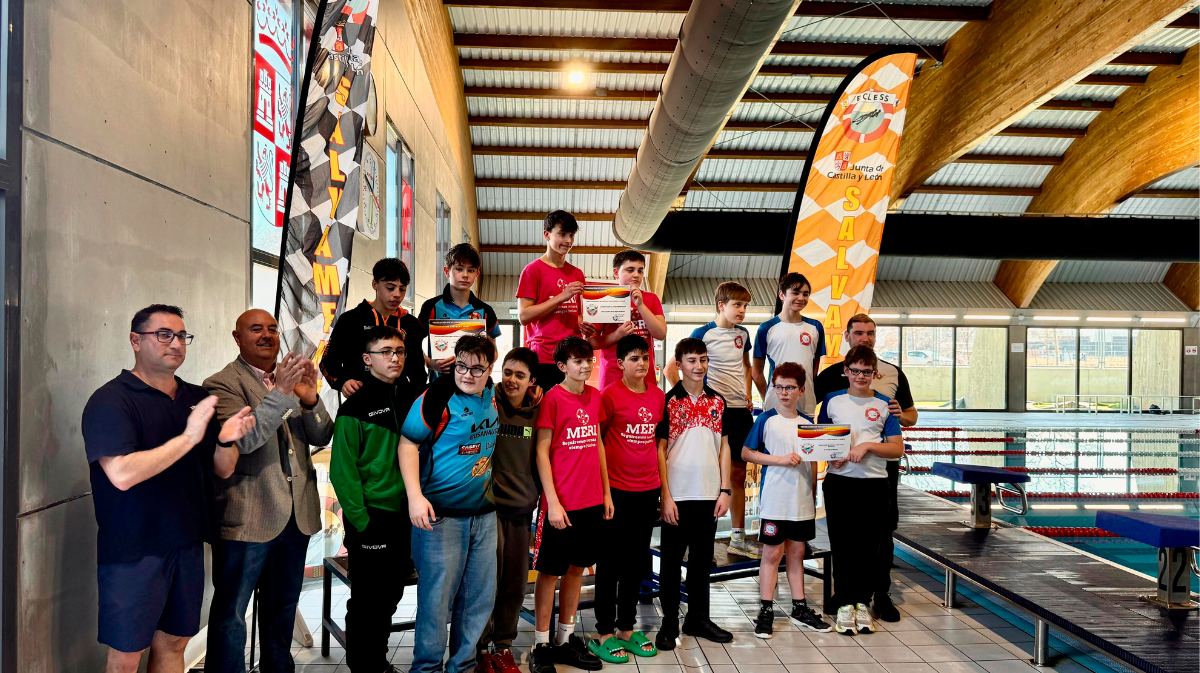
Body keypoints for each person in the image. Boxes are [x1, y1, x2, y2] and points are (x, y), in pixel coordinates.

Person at [83, 304, 255, 673]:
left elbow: (222, 470)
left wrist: (226, 440)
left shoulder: (195, 397)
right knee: (126, 656)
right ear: (135, 340)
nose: (175, 343)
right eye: (163, 334)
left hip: (188, 542)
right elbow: (123, 474)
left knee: (175, 643)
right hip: (134, 548)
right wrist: (190, 437)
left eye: (181, 335)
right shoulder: (111, 400)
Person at [203, 309, 335, 673]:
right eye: (256, 329)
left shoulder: (290, 379)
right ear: (237, 337)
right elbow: (244, 441)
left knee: (282, 608)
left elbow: (322, 436)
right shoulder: (221, 384)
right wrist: (281, 393)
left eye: (273, 329)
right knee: (231, 613)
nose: (267, 335)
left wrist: (309, 400)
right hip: (248, 520)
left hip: (294, 517)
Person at [400, 335, 501, 673]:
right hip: (440, 518)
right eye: (461, 365)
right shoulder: (436, 397)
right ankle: (426, 668)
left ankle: (463, 665)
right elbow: (408, 445)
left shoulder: (494, 396)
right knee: (435, 601)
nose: (467, 374)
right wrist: (415, 497)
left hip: (484, 516)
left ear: (490, 368)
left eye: (476, 368)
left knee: (477, 598)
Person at [813, 313, 917, 622]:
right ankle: (845, 596)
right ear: (847, 336)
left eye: (870, 332)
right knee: (843, 539)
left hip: (876, 476)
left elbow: (908, 419)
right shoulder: (831, 385)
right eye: (859, 332)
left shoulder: (891, 383)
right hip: (840, 476)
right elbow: (817, 426)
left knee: (878, 537)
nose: (865, 337)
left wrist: (881, 432)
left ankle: (877, 595)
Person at [330, 325, 418, 672]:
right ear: (367, 360)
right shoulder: (354, 408)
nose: (394, 357)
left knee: (390, 595)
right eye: (386, 352)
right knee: (368, 600)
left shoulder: (411, 397)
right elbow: (343, 472)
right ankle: (364, 666)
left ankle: (377, 662)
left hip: (405, 515)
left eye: (399, 351)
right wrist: (362, 522)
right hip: (371, 517)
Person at [528, 337, 610, 673]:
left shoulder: (595, 397)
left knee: (577, 568)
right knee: (549, 573)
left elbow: (599, 446)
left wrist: (606, 492)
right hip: (561, 504)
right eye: (577, 361)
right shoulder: (552, 399)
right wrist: (554, 502)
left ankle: (565, 638)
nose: (586, 365)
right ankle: (541, 644)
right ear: (561, 366)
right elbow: (541, 453)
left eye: (588, 359)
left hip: (591, 501)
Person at [666, 281, 757, 559]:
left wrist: (748, 393)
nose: (742, 311)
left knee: (740, 473)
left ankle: (738, 536)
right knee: (714, 469)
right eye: (737, 305)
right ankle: (692, 534)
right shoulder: (702, 332)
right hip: (713, 410)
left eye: (745, 306)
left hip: (739, 409)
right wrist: (689, 401)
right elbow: (673, 368)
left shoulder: (743, 334)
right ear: (721, 305)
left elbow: (745, 366)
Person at [655, 337, 734, 652]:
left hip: (709, 494)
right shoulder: (668, 401)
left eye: (702, 359)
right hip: (677, 496)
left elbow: (725, 447)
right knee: (672, 564)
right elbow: (659, 451)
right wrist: (666, 495)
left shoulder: (718, 401)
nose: (698, 366)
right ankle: (669, 623)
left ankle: (698, 619)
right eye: (691, 360)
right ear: (679, 364)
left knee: (701, 562)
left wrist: (725, 489)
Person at [740, 362, 829, 639]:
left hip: (801, 502)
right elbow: (746, 453)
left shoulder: (808, 424)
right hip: (775, 501)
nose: (784, 392)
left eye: (790, 387)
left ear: (801, 390)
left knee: (797, 554)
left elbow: (814, 463)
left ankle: (799, 608)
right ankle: (765, 610)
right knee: (771, 554)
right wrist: (779, 460)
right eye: (779, 387)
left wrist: (813, 493)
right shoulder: (766, 419)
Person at [591, 335, 665, 663]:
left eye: (644, 358)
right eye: (634, 358)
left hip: (647, 490)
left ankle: (625, 627)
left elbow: (657, 445)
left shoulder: (658, 396)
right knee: (609, 562)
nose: (641, 364)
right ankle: (605, 630)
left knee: (636, 563)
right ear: (620, 364)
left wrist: (662, 489)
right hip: (616, 491)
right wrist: (604, 490)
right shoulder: (609, 396)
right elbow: (597, 441)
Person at [476, 347, 543, 673]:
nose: (512, 380)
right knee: (484, 586)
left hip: (521, 512)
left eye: (520, 375)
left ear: (532, 381)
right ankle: (479, 651)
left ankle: (503, 647)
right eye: (508, 372)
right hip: (488, 512)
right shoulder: (487, 401)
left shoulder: (539, 410)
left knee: (514, 585)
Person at [322, 258, 426, 396]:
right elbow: (327, 363)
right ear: (374, 284)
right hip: (361, 403)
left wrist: (416, 399)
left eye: (402, 289)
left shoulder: (411, 324)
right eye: (390, 288)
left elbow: (417, 370)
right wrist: (343, 383)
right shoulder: (351, 320)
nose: (397, 295)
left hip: (400, 405)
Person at [516, 210, 594, 390]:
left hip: (572, 358)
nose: (568, 241)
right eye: (562, 234)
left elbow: (578, 314)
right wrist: (561, 297)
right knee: (544, 414)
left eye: (571, 235)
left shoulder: (577, 273)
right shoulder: (532, 271)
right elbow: (524, 316)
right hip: (544, 357)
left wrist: (585, 325)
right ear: (547, 234)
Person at [418, 243, 502, 381]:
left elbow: (494, 351)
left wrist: (479, 366)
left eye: (471, 270)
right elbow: (413, 344)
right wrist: (430, 363)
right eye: (459, 269)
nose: (465, 275)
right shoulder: (431, 307)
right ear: (447, 271)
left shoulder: (486, 311)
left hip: (473, 382)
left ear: (477, 274)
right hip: (440, 383)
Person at [586, 250, 667, 390]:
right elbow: (591, 343)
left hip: (644, 375)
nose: (636, 275)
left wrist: (640, 305)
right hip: (613, 375)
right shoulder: (605, 298)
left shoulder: (651, 299)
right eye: (630, 270)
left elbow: (661, 334)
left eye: (640, 271)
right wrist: (617, 335)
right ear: (616, 273)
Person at [753, 272, 824, 418]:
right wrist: (768, 395)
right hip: (775, 402)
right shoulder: (766, 328)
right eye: (796, 292)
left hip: (806, 403)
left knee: (805, 441)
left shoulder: (816, 327)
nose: (801, 298)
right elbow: (756, 372)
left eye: (806, 294)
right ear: (782, 294)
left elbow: (814, 369)